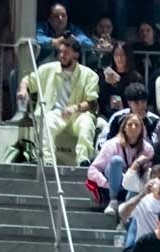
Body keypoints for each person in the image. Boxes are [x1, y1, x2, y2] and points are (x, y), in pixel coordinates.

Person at [17, 37, 99, 166]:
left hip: (77, 114)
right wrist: (23, 90)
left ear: (76, 55)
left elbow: (92, 103)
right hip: (55, 112)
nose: (61, 55)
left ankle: (83, 160)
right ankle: (48, 161)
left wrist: (75, 108)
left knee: (87, 123)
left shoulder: (89, 75)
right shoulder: (47, 69)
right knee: (48, 121)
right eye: (60, 52)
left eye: (66, 52)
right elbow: (27, 80)